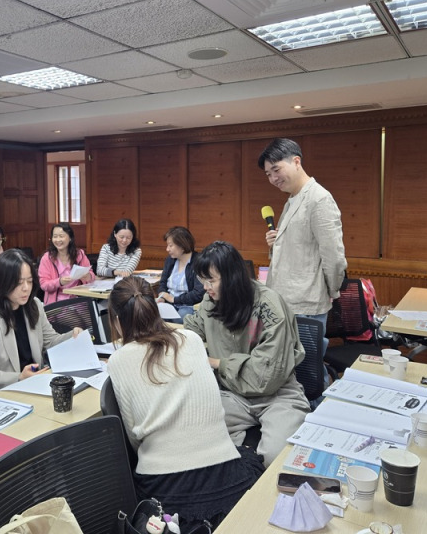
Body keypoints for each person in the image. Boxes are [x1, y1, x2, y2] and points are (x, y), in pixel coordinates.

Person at [107, 276, 265, 529]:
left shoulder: (118, 360)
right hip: (226, 475)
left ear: (116, 320)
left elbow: (133, 437)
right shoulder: (191, 339)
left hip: (165, 487)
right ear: (155, 309)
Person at [184, 241, 310, 466]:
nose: (205, 287)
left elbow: (265, 377)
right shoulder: (212, 300)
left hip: (276, 395)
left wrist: (214, 362)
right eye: (203, 280)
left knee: (275, 458)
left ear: (232, 278)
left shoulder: (268, 306)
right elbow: (193, 329)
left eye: (211, 280)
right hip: (232, 393)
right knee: (189, 435)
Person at [0, 248, 81, 393]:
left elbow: (50, 342)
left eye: (29, 281)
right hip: (3, 394)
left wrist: (72, 337)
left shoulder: (33, 305)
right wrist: (19, 378)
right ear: (2, 283)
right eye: (19, 283)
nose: (26, 288)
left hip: (35, 386)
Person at [258, 138, 347, 330]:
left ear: (296, 161)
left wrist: (328, 290)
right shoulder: (292, 200)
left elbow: (334, 256)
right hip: (284, 301)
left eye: (276, 170)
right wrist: (276, 243)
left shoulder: (319, 199)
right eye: (268, 174)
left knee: (304, 352)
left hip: (305, 304)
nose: (273, 178)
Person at [37, 223, 95, 304]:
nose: (58, 240)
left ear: (70, 238)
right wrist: (59, 282)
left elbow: (92, 276)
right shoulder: (47, 258)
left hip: (78, 300)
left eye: (61, 236)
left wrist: (88, 276)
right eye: (55, 236)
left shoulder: (80, 255)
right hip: (56, 303)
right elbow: (44, 284)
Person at [156, 226, 204, 320]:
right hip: (169, 303)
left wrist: (174, 299)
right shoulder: (170, 260)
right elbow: (162, 283)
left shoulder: (198, 262)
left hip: (188, 305)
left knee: (180, 318)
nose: (167, 249)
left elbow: (198, 293)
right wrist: (162, 296)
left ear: (182, 246)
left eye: (170, 246)